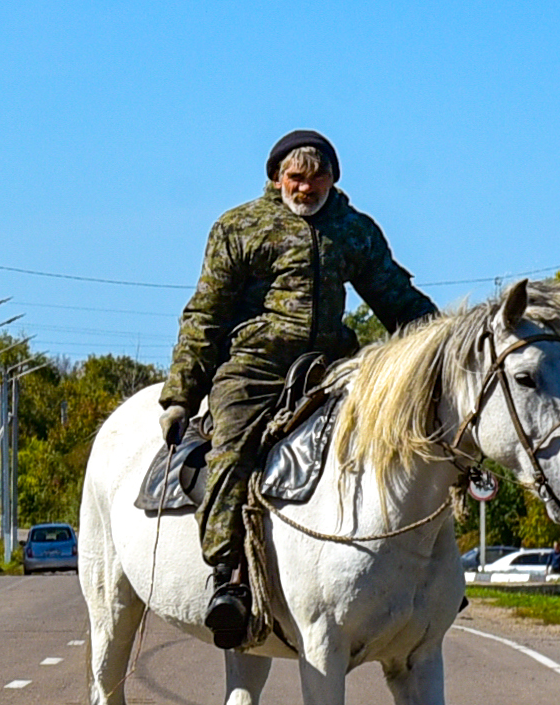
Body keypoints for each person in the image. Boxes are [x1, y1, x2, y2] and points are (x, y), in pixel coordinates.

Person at [163, 131, 438, 648]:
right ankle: (229, 579)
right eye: (296, 177)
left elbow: (395, 297)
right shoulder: (239, 227)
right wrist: (181, 393)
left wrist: (444, 347)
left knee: (403, 436)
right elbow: (206, 313)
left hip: (332, 365)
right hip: (254, 367)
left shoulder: (353, 232)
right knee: (229, 455)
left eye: (317, 177)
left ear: (333, 180)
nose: (306, 187)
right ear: (276, 178)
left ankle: (427, 578)